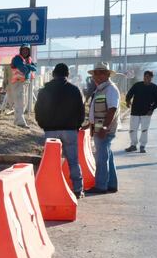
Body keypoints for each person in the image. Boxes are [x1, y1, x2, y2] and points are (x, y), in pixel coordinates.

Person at [35, 63, 86, 197]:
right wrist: (77, 125)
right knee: (73, 161)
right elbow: (81, 110)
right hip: (70, 131)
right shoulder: (74, 90)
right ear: (67, 75)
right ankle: (77, 189)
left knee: (52, 162)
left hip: (51, 131)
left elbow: (38, 110)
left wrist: (43, 124)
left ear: (53, 74)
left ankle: (51, 189)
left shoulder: (44, 90)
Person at [86, 63, 120, 195]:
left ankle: (101, 186)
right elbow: (96, 110)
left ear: (107, 74)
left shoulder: (110, 89)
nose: (97, 76)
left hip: (105, 129)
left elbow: (112, 109)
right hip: (99, 128)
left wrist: (105, 127)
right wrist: (90, 124)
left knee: (101, 158)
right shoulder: (100, 89)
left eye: (101, 73)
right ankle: (111, 184)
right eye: (96, 73)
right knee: (107, 156)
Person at [124, 70, 157, 153]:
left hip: (147, 112)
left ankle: (142, 146)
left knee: (144, 130)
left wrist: (152, 109)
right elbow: (130, 93)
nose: (146, 78)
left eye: (149, 77)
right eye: (145, 76)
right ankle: (133, 145)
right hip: (135, 111)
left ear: (151, 78)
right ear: (143, 77)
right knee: (133, 129)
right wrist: (127, 101)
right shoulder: (137, 85)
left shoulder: (154, 87)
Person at [9, 45, 37, 127]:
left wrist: (28, 66)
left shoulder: (28, 59)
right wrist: (29, 67)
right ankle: (20, 123)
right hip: (18, 83)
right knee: (20, 103)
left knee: (24, 103)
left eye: (27, 50)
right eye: (24, 50)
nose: (25, 52)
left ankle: (17, 121)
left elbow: (35, 68)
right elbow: (23, 69)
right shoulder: (17, 59)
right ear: (20, 51)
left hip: (25, 83)